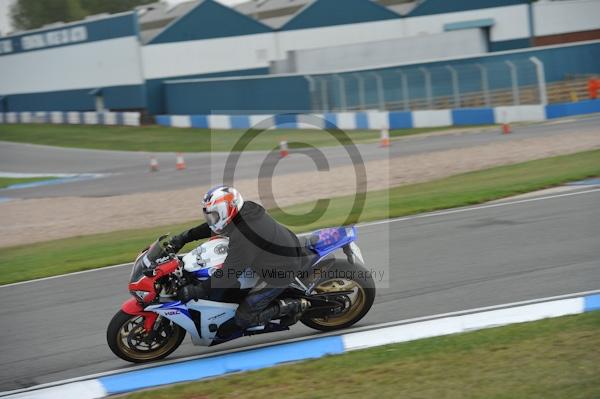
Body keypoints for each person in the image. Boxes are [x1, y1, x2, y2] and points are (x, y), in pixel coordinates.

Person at [168, 185, 309, 339]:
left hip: (281, 271)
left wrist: (199, 290)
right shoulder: (242, 212)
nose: (211, 220)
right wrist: (184, 237)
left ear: (226, 211)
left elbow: (229, 274)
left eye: (214, 215)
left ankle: (292, 305)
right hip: (277, 251)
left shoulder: (245, 235)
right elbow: (214, 227)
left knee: (244, 317)